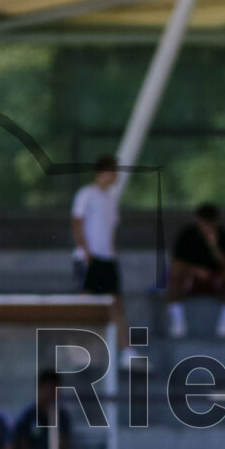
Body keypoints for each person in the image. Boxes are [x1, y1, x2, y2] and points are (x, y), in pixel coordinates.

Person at [71, 154, 136, 369]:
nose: (116, 176)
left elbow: (111, 229)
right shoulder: (86, 194)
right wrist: (86, 251)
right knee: (84, 304)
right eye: (114, 171)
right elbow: (77, 223)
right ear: (105, 171)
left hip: (108, 258)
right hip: (89, 258)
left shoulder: (110, 198)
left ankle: (127, 352)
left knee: (116, 305)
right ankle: (77, 351)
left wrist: (111, 253)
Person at [167, 203, 225, 339]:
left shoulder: (224, 235)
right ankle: (177, 321)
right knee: (174, 272)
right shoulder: (187, 235)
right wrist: (195, 270)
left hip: (216, 279)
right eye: (204, 222)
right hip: (190, 279)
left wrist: (214, 247)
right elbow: (176, 262)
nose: (207, 227)